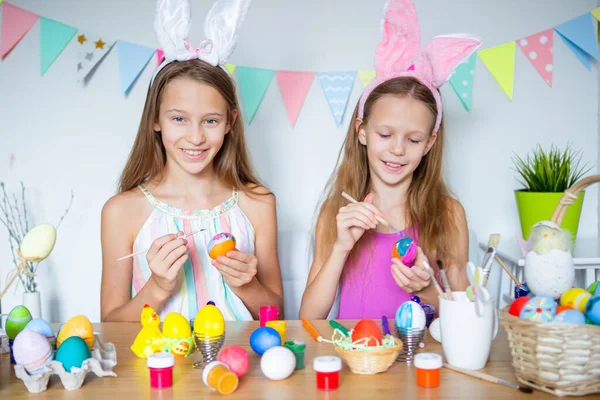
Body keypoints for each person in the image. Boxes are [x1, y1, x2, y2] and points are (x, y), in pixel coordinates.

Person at [100, 0, 283, 322]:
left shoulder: (257, 202)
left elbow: (277, 314)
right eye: (179, 119)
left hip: (240, 365)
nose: (196, 137)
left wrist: (247, 285)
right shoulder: (122, 211)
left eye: (210, 121)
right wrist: (157, 286)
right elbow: (112, 325)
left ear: (230, 122)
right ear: (155, 119)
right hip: (162, 367)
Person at [300, 0, 481, 319]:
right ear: (362, 132)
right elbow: (308, 318)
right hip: (356, 361)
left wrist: (425, 290)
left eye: (412, 139)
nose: (398, 150)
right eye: (385, 135)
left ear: (429, 143)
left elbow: (468, 312)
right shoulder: (336, 213)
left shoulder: (448, 214)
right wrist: (341, 248)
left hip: (421, 364)